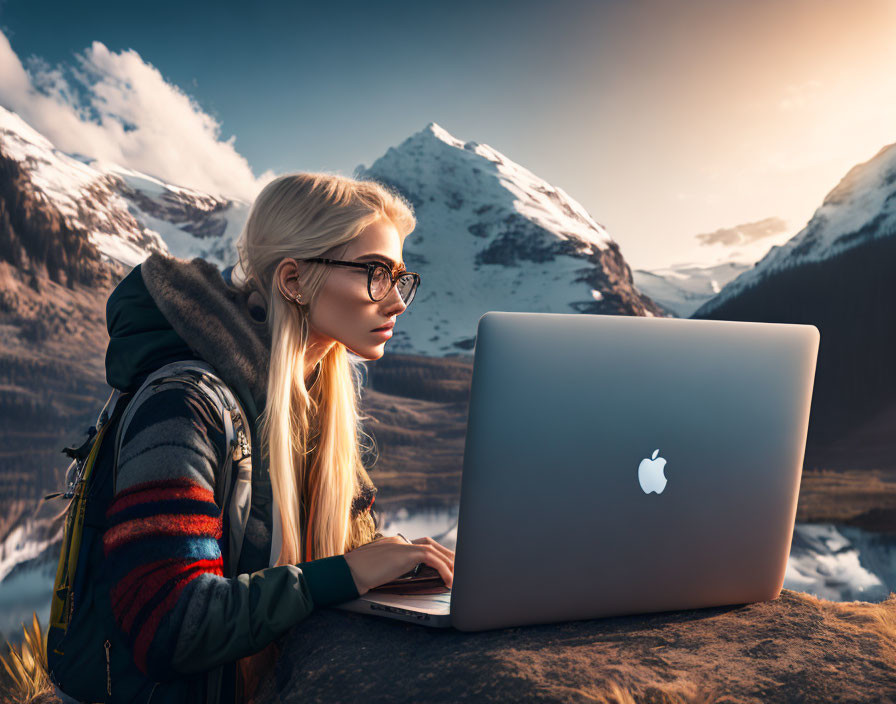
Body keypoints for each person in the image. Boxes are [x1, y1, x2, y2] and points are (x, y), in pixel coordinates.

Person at [100, 172, 455, 703]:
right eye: (376, 273)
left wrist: (401, 568)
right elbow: (169, 623)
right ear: (293, 280)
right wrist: (343, 574)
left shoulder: (318, 407)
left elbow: (339, 566)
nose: (397, 302)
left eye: (400, 277)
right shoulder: (185, 406)